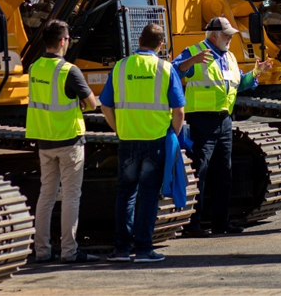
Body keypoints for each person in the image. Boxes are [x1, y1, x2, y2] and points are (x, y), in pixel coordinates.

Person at [172, 16, 271, 237]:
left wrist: (256, 73)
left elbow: (238, 84)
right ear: (214, 35)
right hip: (202, 120)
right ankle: (192, 224)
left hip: (225, 119)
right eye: (227, 35)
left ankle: (220, 222)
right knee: (201, 171)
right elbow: (173, 71)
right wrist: (193, 61)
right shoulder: (195, 51)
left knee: (223, 173)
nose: (230, 39)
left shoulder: (230, 57)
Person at [100, 23, 185, 263]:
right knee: (148, 195)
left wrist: (119, 128)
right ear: (161, 44)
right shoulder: (165, 68)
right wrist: (174, 136)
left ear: (139, 40)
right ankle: (144, 249)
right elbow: (179, 111)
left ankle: (121, 249)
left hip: (128, 139)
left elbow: (106, 105)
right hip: (155, 140)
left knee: (125, 194)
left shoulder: (120, 66)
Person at [25, 19, 100, 263]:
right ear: (62, 41)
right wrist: (81, 106)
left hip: (44, 141)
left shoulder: (35, 68)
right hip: (69, 140)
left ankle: (42, 251)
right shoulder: (69, 70)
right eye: (68, 40)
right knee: (70, 196)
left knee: (46, 195)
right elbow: (92, 103)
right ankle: (69, 251)